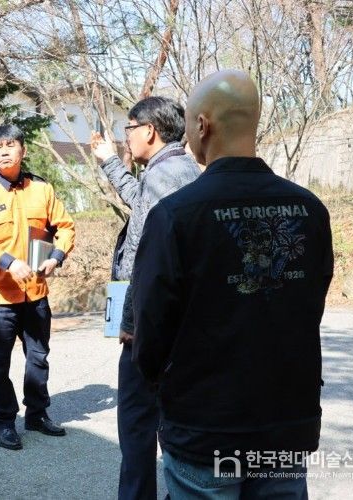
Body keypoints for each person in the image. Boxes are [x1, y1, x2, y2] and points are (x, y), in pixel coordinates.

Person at [131, 70, 334, 499]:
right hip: (285, 423)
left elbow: (151, 331)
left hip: (204, 425)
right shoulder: (310, 210)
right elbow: (309, 306)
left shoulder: (175, 215)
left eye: (189, 125)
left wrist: (164, 384)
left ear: (202, 125)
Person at [90, 96, 200, 500]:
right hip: (173, 324)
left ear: (149, 130)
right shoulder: (175, 169)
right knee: (166, 421)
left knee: (138, 424)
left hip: (153, 329)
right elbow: (140, 203)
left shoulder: (164, 174)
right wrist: (109, 162)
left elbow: (143, 254)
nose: (127, 137)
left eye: (130, 129)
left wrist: (131, 322)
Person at [0, 124, 75, 450]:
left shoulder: (42, 189)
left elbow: (65, 226)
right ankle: (5, 421)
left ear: (22, 150)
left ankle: (37, 414)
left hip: (35, 292)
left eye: (10, 145)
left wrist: (56, 256)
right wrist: (9, 262)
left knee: (38, 358)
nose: (4, 151)